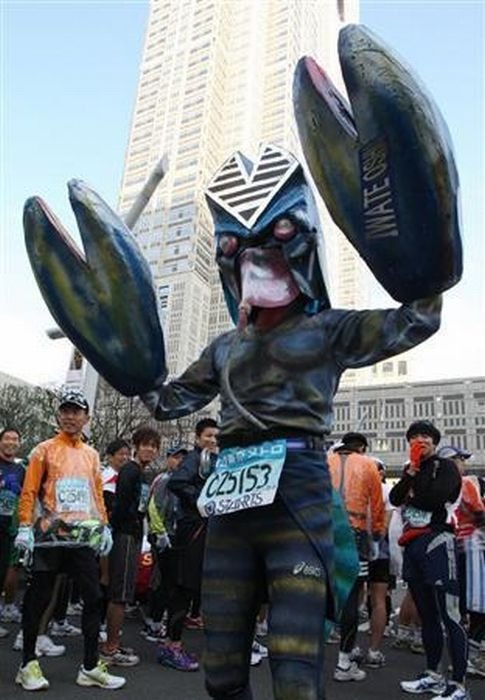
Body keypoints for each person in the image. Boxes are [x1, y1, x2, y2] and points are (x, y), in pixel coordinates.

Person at [14, 388, 125, 691]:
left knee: (93, 597)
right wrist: (25, 526)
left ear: (86, 417)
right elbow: (29, 492)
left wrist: (103, 526)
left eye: (76, 411)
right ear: (58, 415)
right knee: (39, 596)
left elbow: (95, 494)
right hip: (50, 535)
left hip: (81, 536)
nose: (70, 416)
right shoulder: (43, 450)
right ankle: (27, 664)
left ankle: (89, 667)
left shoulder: (91, 454)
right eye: (65, 410)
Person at [390, 420, 470, 700]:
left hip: (437, 540)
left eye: (425, 436)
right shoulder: (413, 469)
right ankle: (433, 674)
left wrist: (415, 478)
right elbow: (395, 498)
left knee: (450, 612)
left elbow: (432, 498)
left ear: (434, 442)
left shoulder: (445, 466)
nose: (420, 440)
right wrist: (410, 472)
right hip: (411, 545)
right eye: (414, 437)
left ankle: (458, 684)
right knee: (427, 614)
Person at [156, 419, 219, 671]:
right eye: (208, 436)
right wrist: (203, 500)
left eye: (216, 437)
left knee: (190, 588)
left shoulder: (211, 459)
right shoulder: (195, 458)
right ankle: (172, 646)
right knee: (183, 587)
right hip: (192, 529)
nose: (213, 440)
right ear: (197, 437)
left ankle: (173, 643)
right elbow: (177, 483)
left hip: (204, 529)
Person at [327, 432, 385, 681]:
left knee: (319, 591)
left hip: (321, 531)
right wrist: (378, 533)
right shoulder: (368, 464)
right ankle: (343, 663)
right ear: (360, 447)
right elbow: (378, 505)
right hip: (355, 533)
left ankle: (306, 657)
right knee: (351, 595)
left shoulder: (323, 461)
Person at [101, 426, 160, 666]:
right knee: (120, 594)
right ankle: (110, 648)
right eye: (145, 444)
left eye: (154, 446)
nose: (149, 449)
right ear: (136, 446)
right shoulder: (130, 471)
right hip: (124, 535)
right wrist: (117, 529)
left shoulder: (143, 474)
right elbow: (122, 506)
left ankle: (113, 641)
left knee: (123, 592)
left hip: (134, 534)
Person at [438, 445, 485, 677]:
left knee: (461, 603)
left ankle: (464, 654)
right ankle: (470, 656)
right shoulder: (465, 483)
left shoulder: (438, 484)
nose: (463, 463)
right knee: (477, 603)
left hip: (452, 545)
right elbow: (480, 512)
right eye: (460, 459)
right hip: (471, 545)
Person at [143, 443, 188, 642]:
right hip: (163, 536)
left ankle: (157, 620)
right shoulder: (164, 480)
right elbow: (153, 508)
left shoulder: (183, 480)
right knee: (163, 580)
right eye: (176, 457)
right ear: (168, 459)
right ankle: (153, 622)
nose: (179, 462)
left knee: (170, 581)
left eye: (183, 458)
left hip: (176, 537)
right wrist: (160, 533)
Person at [0, 427, 24, 638]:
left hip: (10, 526)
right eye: (7, 438)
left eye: (15, 439)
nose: (11, 442)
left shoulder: (20, 469)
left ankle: (6, 607)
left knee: (6, 568)